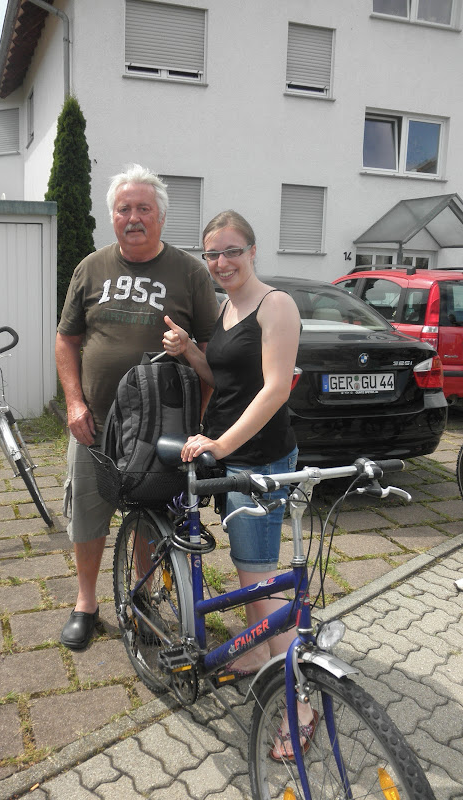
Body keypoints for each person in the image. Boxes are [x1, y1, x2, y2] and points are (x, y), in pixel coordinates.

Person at [162, 210, 313, 758]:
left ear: (253, 250)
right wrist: (190, 352)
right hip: (231, 456)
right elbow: (221, 377)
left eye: (231, 251)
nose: (221, 262)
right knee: (253, 569)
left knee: (266, 581)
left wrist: (222, 445)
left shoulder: (277, 305)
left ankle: (300, 706)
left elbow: (274, 389)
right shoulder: (227, 308)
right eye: (212, 254)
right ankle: (255, 653)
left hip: (261, 460)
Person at [56, 163, 218, 651]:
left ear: (161, 217)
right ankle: (86, 603)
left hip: (162, 428)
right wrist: (74, 403)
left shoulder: (190, 273)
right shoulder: (91, 267)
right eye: (124, 209)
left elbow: (212, 355)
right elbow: (66, 341)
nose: (133, 217)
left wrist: (199, 419)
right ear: (112, 217)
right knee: (88, 514)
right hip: (95, 424)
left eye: (143, 208)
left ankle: (142, 596)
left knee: (154, 514)